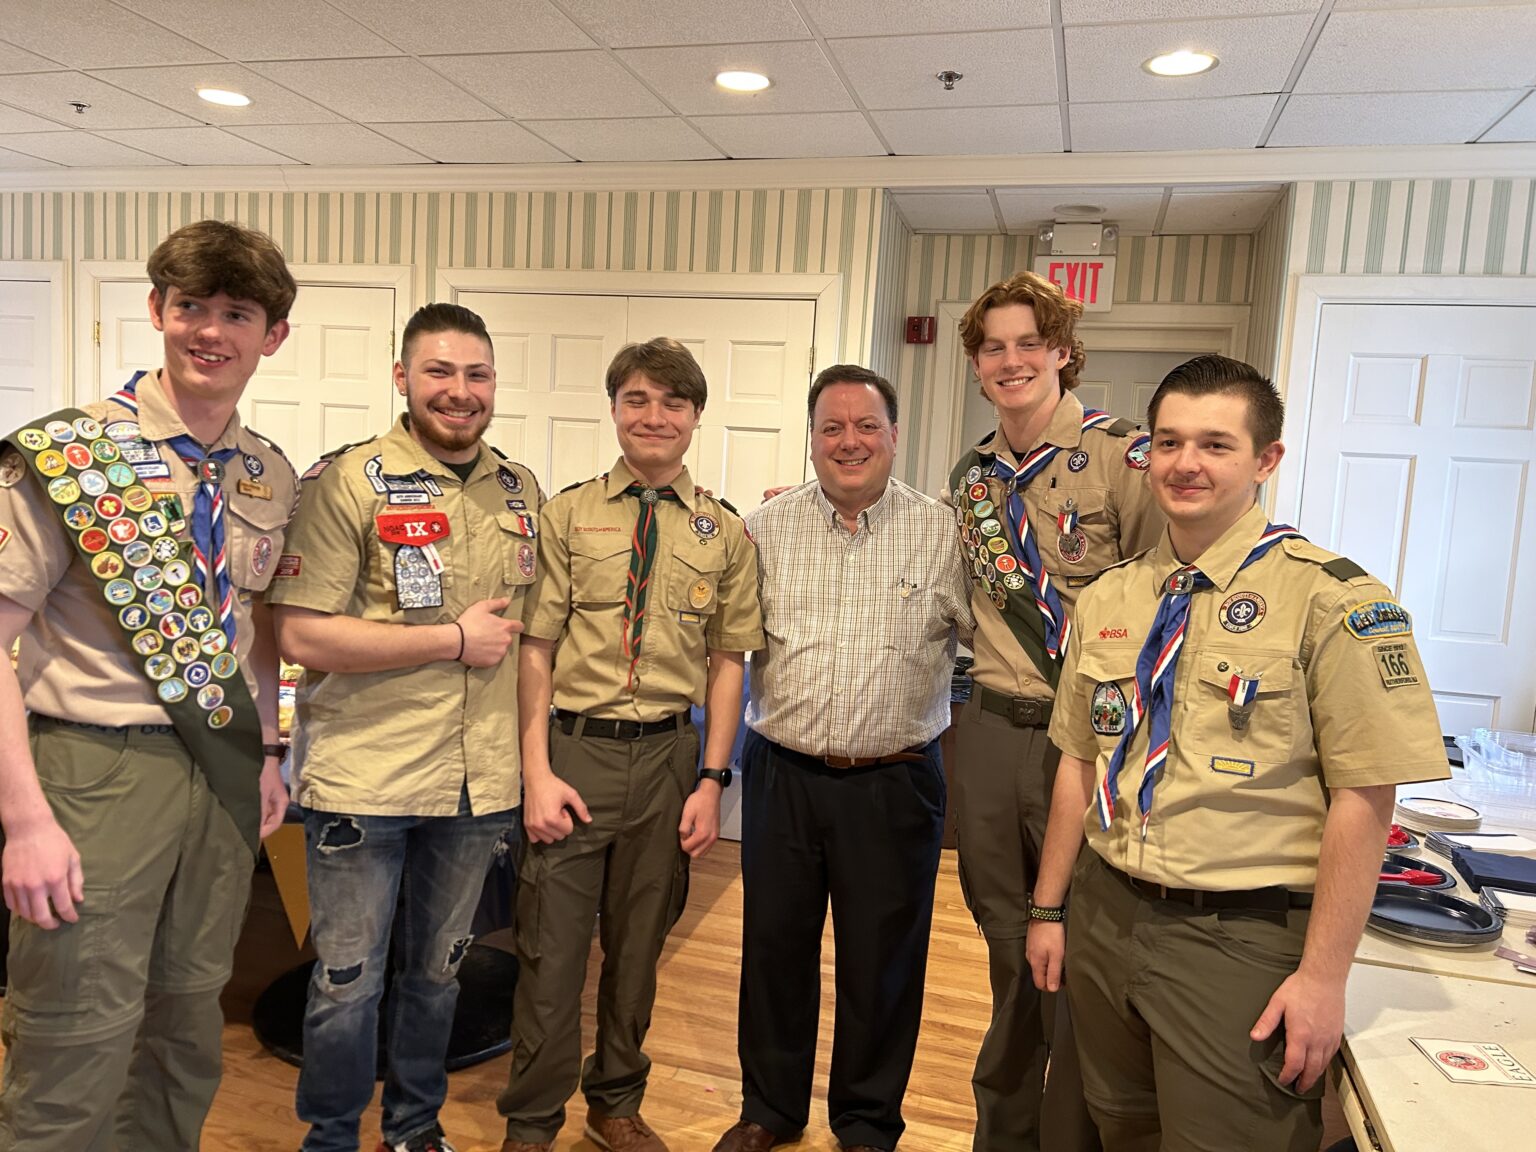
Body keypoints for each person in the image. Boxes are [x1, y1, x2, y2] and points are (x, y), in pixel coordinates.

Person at [1026, 355, 1451, 1151]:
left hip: (1238, 936)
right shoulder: (1113, 595)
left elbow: (1366, 799)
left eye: (1216, 444)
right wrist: (1050, 908)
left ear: (1266, 460)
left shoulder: (1333, 599)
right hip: (1106, 916)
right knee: (1120, 1131)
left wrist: (1324, 978)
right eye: (1170, 441)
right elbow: (1078, 764)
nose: (1187, 463)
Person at [0, 219, 298, 1150]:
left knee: (186, 1022)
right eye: (192, 307)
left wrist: (266, 754)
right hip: (92, 774)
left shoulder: (267, 476)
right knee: (73, 1035)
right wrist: (24, 822)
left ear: (271, 336)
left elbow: (250, 637)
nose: (212, 331)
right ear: (157, 311)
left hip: (216, 779)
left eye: (237, 313)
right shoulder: (69, 458)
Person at [268, 303, 537, 1152]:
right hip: (366, 778)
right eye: (440, 373)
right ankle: (332, 1139)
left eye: (477, 374)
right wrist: (454, 640)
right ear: (403, 378)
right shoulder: (346, 480)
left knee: (437, 977)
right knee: (347, 982)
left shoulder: (518, 489)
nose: (460, 393)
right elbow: (300, 631)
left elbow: (534, 639)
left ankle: (415, 1131)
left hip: (476, 781)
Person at [499, 337, 762, 1152]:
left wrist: (714, 779)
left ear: (695, 418)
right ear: (614, 409)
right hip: (574, 753)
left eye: (673, 404)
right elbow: (534, 648)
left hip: (666, 761)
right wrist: (534, 771)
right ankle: (533, 1121)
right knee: (550, 953)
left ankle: (616, 1100)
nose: (655, 417)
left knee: (640, 947)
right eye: (638, 400)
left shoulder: (724, 532)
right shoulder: (566, 514)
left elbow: (728, 664)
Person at [712, 365, 973, 1152]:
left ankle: (865, 1122)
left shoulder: (944, 533)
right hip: (783, 775)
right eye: (832, 427)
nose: (849, 442)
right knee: (773, 948)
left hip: (895, 782)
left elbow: (993, 646)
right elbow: (728, 647)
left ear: (896, 436)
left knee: (884, 961)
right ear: (812, 438)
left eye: (867, 427)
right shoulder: (764, 530)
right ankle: (770, 1109)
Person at [946, 271, 1162, 1152]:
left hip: (1094, 744)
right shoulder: (971, 477)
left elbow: (1164, 599)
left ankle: (1068, 1134)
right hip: (994, 731)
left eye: (1028, 342)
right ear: (974, 364)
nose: (1011, 360)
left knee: (1080, 948)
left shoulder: (1125, 457)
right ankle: (1002, 1132)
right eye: (992, 347)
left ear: (1064, 352)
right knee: (1008, 945)